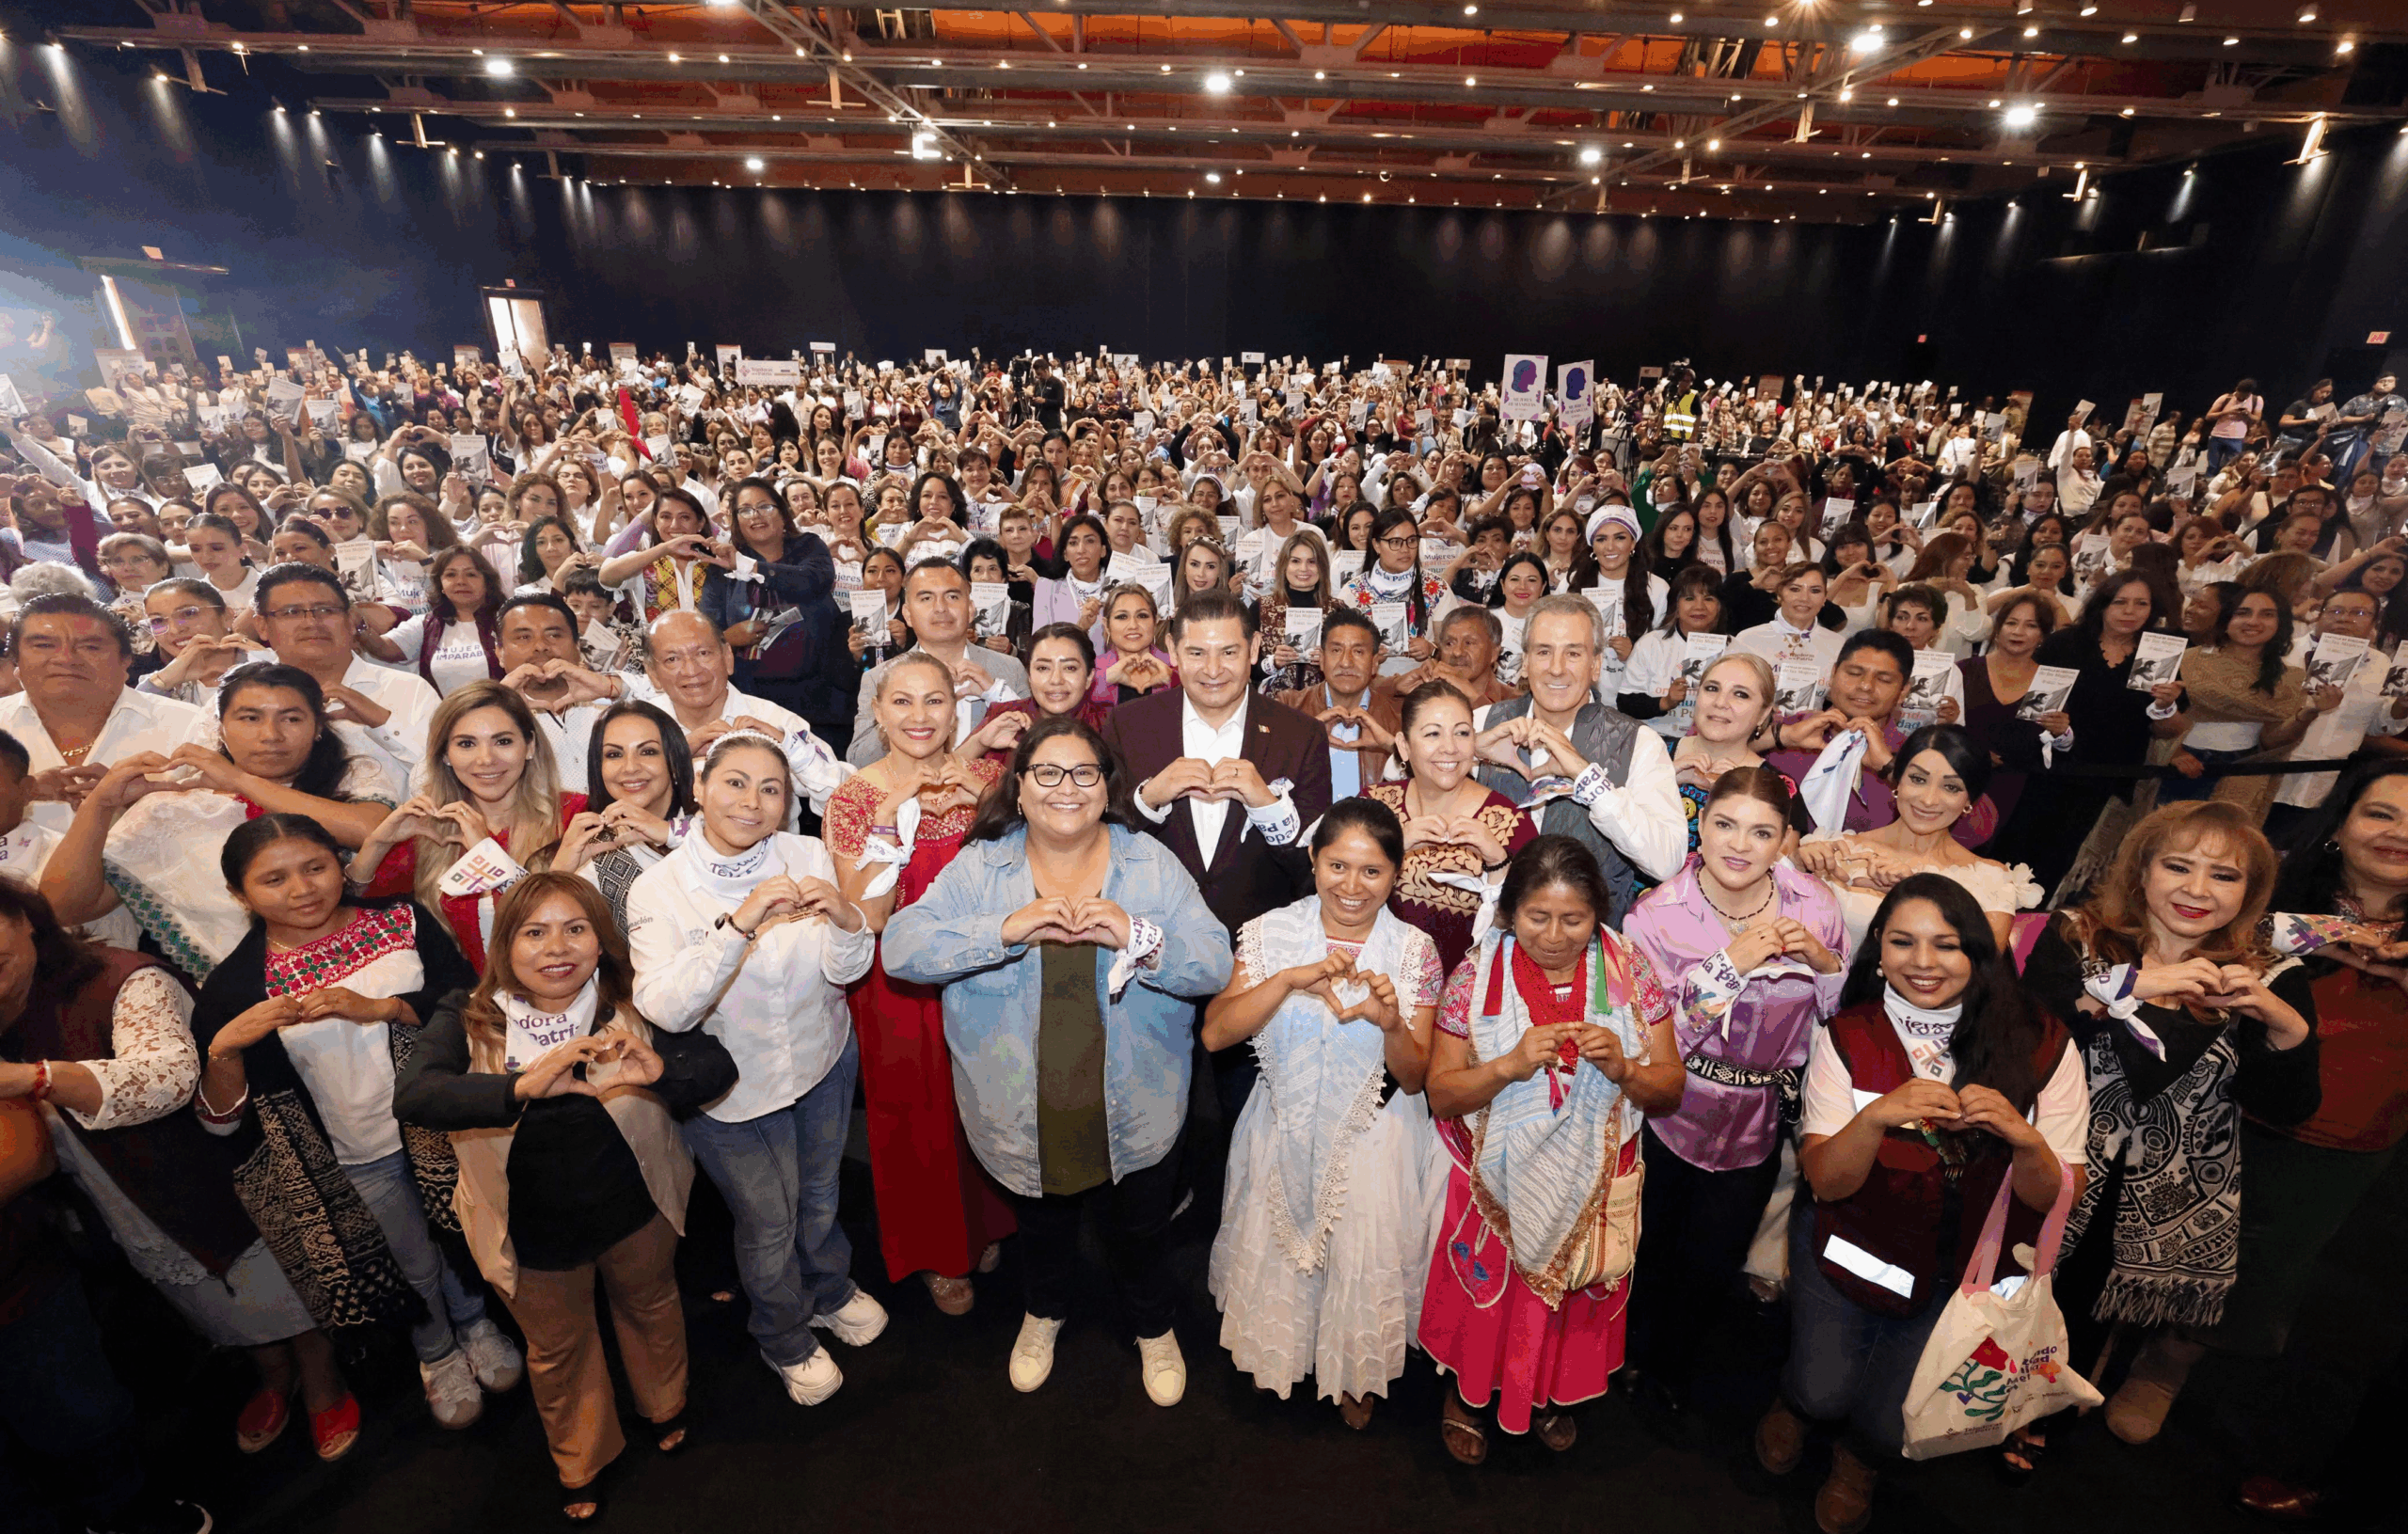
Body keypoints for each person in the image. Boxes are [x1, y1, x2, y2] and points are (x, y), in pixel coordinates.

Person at [882, 714, 1229, 1403]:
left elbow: (1215, 961)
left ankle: (1154, 1325)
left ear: (1106, 787)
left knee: (1141, 1231)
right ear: (1018, 788)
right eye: (1046, 772)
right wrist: (1003, 930)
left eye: (1083, 772)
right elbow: (901, 947)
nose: (1065, 787)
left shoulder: (1148, 863)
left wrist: (1139, 934)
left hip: (1138, 1101)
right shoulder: (983, 866)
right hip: (1018, 1103)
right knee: (1041, 1228)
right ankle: (1043, 1313)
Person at [395, 874, 737, 1523]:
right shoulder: (467, 1013)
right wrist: (519, 1088)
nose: (558, 947)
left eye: (576, 928)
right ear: (505, 944)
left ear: (600, 942)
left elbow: (716, 1067)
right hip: (528, 1227)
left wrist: (662, 1072)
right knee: (558, 1348)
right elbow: (415, 1096)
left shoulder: (629, 999)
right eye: (535, 931)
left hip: (635, 1204)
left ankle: (665, 1404)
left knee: (652, 1305)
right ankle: (581, 1457)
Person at [1753, 874, 2086, 1529]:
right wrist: (1877, 1116)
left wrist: (2024, 1139)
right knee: (1822, 1390)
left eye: (1946, 944)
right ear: (1878, 949)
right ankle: (1795, 1403)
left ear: (1978, 952)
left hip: (1964, 1277)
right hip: (1850, 1250)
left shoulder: (2045, 1041)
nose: (1923, 962)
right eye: (1903, 942)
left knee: (1889, 1420)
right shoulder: (1848, 1032)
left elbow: (2056, 1198)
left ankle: (1859, 1463)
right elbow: (1826, 1181)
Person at [190, 814, 518, 1440]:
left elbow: (471, 1000)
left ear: (340, 864)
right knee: (410, 1259)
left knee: (466, 1231)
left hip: (442, 1126)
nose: (302, 889)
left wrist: (387, 1008)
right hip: (351, 1152)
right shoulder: (234, 985)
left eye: (316, 867)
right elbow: (219, 1122)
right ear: (239, 894)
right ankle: (436, 1352)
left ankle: (478, 1323)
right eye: (274, 879)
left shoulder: (402, 918)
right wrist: (224, 1049)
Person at [2022, 801, 2319, 1449]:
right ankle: (1974, 1393)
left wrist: (2286, 1025)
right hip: (2054, 1158)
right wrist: (2136, 984)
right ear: (2142, 869)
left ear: (2250, 892)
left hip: (2167, 1194)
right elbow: (2022, 1042)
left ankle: (2044, 1415)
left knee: (2095, 1304)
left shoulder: (2270, 971)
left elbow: (2288, 1107)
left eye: (2224, 875)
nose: (2198, 889)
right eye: (2179, 866)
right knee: (2012, 1283)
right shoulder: (2077, 934)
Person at [626, 732, 882, 1407]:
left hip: (822, 1056)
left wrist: (849, 922)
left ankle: (828, 1288)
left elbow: (845, 971)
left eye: (771, 788)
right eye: (735, 782)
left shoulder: (808, 854)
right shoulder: (660, 888)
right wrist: (738, 926)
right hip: (733, 1091)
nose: (752, 801)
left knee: (822, 1191)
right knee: (769, 1221)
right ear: (699, 787)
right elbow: (665, 1007)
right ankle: (783, 1334)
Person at [1419, 835, 1683, 1463]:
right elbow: (1442, 1094)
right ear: (1510, 912)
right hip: (1494, 1174)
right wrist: (1507, 1066)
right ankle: (1468, 1393)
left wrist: (1624, 1068)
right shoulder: (1476, 975)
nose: (1557, 936)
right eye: (1538, 917)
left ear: (1598, 915)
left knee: (1573, 1291)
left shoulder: (1629, 969)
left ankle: (1545, 1392)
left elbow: (1669, 1088)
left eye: (1575, 919)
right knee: (1490, 1296)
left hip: (1594, 1172)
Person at [1201, 798, 1443, 1428]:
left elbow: (1414, 1077)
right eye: (1337, 865)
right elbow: (1216, 1034)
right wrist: (1285, 981)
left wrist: (1391, 1023)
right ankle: (1280, 1348)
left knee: (1362, 1251)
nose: (1352, 886)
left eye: (1372, 871)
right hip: (1282, 1119)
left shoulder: (1415, 950)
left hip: (1375, 1134)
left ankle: (1355, 1369)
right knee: (1280, 1247)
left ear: (1396, 875)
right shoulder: (1269, 931)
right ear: (1312, 860)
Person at [0, 874, 220, 1534]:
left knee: (83, 1418)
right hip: (80, 1228)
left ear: (24, 918)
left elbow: (166, 1078)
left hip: (41, 1267)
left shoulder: (112, 978)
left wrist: (36, 1078)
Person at [1620, 767, 1845, 1410]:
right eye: (1724, 824)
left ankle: (1675, 1370)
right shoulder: (1656, 915)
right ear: (1702, 825)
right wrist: (1728, 966)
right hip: (1669, 1112)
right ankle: (1626, 1357)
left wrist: (1825, 963)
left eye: (1761, 832)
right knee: (1650, 1247)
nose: (1740, 845)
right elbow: (1650, 1035)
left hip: (1759, 1118)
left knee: (1715, 1258)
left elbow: (1835, 1012)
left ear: (1784, 840)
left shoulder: (1815, 905)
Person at [2223, 764, 2408, 1518]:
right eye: (2381, 813)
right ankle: (2148, 1363)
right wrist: (2337, 935)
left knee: (2272, 1272)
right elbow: (2221, 933)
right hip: (2232, 1105)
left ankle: (2176, 1370)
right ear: (2339, 824)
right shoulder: (2278, 886)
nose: (2399, 834)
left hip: (2355, 1136)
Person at [824, 652, 1017, 1317]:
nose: (919, 716)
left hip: (986, 965)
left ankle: (988, 1220)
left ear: (955, 710)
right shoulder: (855, 796)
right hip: (898, 981)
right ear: (878, 713)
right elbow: (865, 912)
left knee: (985, 1094)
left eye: (934, 700)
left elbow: (1035, 868)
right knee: (917, 1112)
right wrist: (890, 817)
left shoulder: (990, 778)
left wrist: (985, 804)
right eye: (902, 702)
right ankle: (936, 1248)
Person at [40, 663, 394, 980]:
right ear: (220, 729)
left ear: (318, 727)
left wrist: (239, 781)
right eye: (250, 718)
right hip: (236, 993)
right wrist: (100, 805)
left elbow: (370, 831)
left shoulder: (355, 776)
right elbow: (63, 907)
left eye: (291, 719)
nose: (271, 735)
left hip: (370, 970)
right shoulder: (176, 807)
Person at [1470, 594, 1687, 920]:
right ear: (1525, 662)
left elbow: (1667, 861)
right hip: (1488, 929)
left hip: (1589, 936)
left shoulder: (1639, 742)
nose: (1557, 669)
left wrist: (1590, 781)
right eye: (1544, 652)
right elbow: (1402, 784)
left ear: (1596, 665)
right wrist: (1468, 754)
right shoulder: (1481, 723)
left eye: (1573, 653)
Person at [350, 681, 581, 970]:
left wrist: (487, 854)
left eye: (503, 741)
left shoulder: (574, 815)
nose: (486, 759)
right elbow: (356, 918)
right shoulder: (430, 829)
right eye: (466, 744)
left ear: (530, 746)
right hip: (470, 993)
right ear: (445, 754)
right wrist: (377, 844)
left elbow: (561, 926)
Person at [1793, 725, 2038, 949]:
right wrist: (1791, 869)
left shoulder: (1990, 880)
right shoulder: (1833, 852)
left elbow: (1980, 965)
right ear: (1898, 781)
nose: (1928, 800)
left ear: (1969, 800)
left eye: (1951, 787)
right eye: (1918, 779)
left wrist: (1916, 895)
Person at [0, 593, 213, 835]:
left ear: (126, 661)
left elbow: (223, 823)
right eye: (44, 645)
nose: (66, 658)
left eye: (90, 647)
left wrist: (145, 802)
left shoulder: (190, 725)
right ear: (15, 660)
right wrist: (17, 795)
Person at [1365, 682, 1536, 974]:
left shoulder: (1511, 823)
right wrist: (1391, 849)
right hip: (1375, 980)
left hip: (1470, 991)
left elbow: (1532, 930)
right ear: (1404, 746)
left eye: (1462, 733)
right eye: (1433, 733)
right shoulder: (1373, 808)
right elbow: (1335, 895)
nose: (1450, 748)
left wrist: (1498, 861)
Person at [635, 610, 850, 823]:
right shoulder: (636, 728)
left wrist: (790, 749)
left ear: (728, 657)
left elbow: (847, 805)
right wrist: (678, 754)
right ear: (653, 673)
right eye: (672, 659)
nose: (691, 670)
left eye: (703, 653)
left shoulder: (773, 721)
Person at [251, 563, 442, 794]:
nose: (311, 622)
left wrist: (383, 724)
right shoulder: (242, 697)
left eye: (326, 610)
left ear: (351, 619)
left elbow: (447, 779)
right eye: (291, 612)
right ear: (262, 626)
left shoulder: (408, 690)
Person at [846, 561, 1028, 767]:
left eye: (952, 597)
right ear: (907, 614)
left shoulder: (1009, 669)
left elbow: (1037, 746)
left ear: (970, 609)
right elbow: (859, 760)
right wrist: (899, 710)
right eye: (926, 598)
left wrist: (995, 694)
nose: (941, 608)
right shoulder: (879, 677)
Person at [2160, 585, 2318, 817]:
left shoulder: (2290, 679)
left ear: (2280, 624)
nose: (2253, 622)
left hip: (2245, 774)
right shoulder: (2184, 660)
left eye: (2267, 614)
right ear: (2225, 619)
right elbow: (2146, 714)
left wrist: (2310, 713)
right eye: (2243, 613)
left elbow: (2271, 742)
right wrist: (2173, 753)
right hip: (2181, 765)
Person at [572, 700, 698, 931]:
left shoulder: (715, 822)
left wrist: (669, 833)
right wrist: (560, 871)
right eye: (614, 754)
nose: (630, 767)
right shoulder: (593, 853)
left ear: (674, 761)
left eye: (648, 752)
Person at [1275, 607, 1400, 799]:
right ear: (1321, 659)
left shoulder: (1398, 716)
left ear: (1375, 663)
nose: (1346, 662)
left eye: (1358, 651)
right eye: (1336, 650)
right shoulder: (1289, 706)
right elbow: (1265, 776)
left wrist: (1393, 747)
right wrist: (1307, 735)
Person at [380, 546, 505, 696]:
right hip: (442, 711)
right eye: (451, 575)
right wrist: (359, 621)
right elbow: (382, 648)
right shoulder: (426, 623)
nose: (461, 581)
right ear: (441, 585)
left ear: (487, 582)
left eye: (471, 574)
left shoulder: (506, 620)